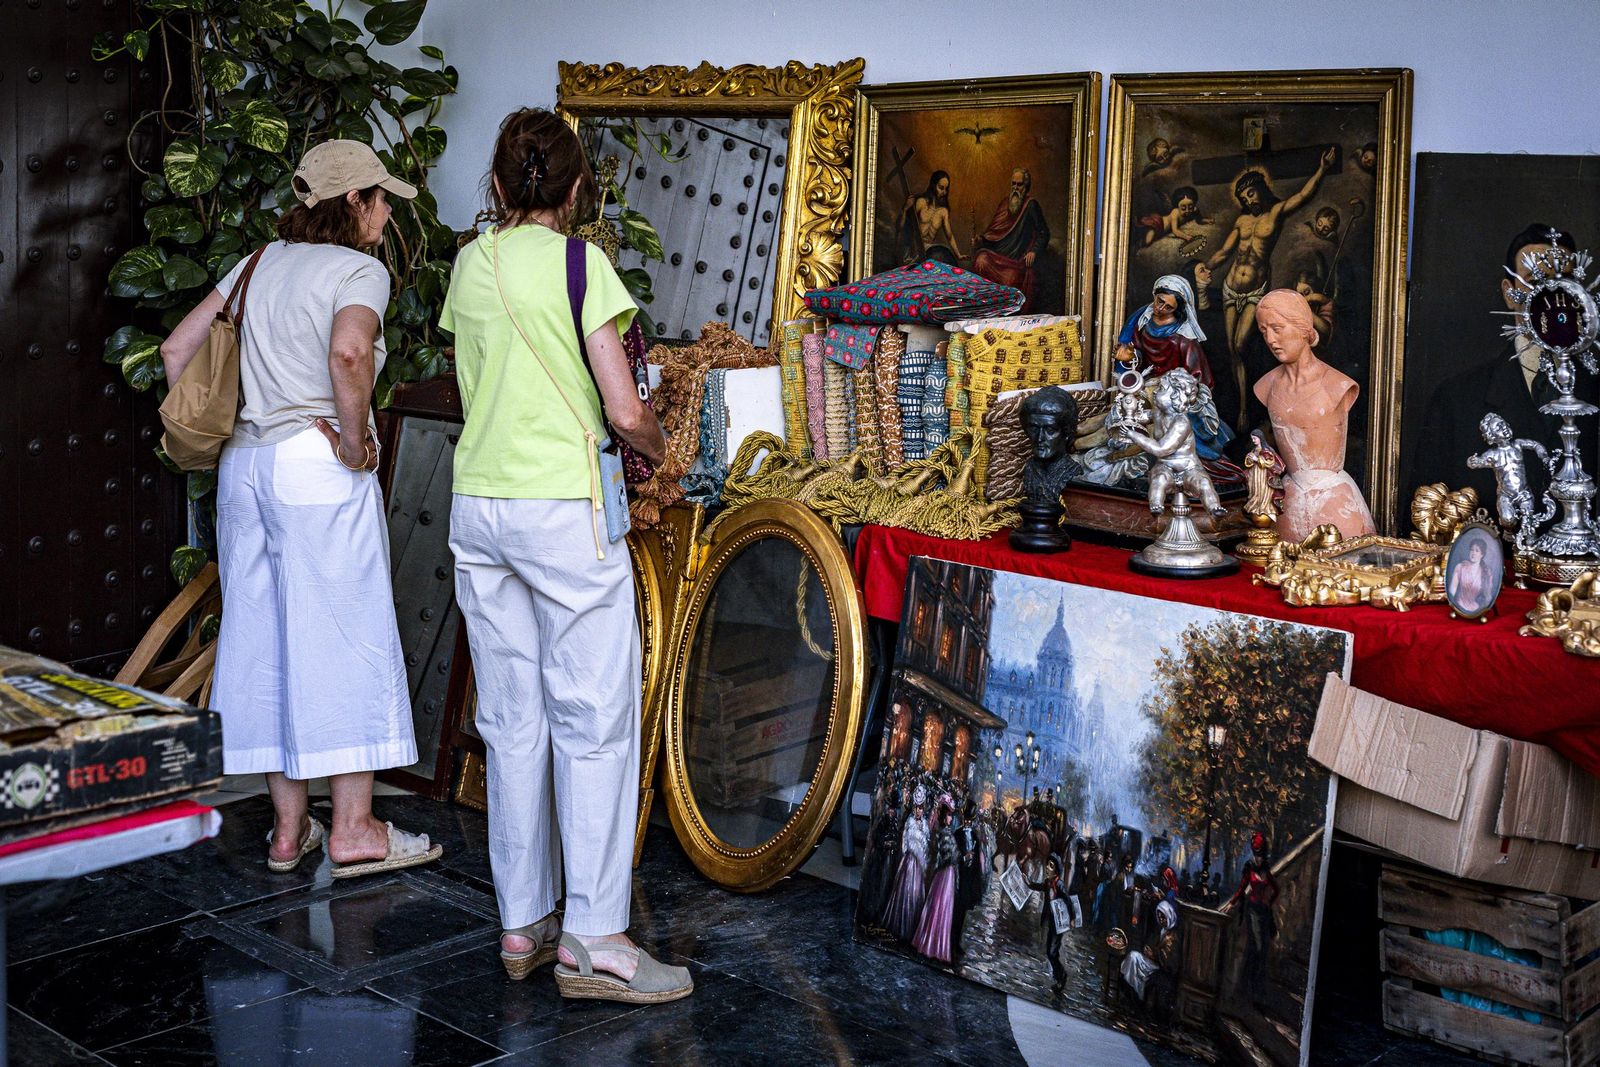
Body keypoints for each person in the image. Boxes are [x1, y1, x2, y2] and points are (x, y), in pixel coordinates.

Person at [441, 109, 682, 1001]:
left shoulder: (469, 266)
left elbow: (477, 382)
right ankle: (597, 938)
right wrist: (663, 446)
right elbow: (623, 410)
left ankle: (523, 922)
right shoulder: (585, 265)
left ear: (499, 187)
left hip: (480, 507)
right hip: (561, 510)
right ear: (578, 191)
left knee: (511, 718)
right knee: (594, 716)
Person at [160, 140, 441, 881]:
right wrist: (354, 444)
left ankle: (289, 832)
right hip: (315, 466)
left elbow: (175, 351)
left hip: (244, 468)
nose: (387, 212)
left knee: (264, 638)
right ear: (352, 201)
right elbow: (350, 354)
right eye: (380, 197)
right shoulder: (359, 271)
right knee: (343, 636)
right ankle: (353, 827)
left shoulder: (258, 262)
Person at [1412, 225, 1598, 507]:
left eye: (1564, 283)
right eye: (1536, 282)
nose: (1551, 299)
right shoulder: (1456, 400)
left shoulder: (1595, 390)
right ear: (1510, 294)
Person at [1253, 288, 1376, 541]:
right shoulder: (1267, 386)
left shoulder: (1338, 385)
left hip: (1335, 506)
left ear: (1303, 328)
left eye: (1278, 328)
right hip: (1289, 504)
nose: (1271, 340)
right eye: (1264, 332)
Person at [1206, 149, 1338, 357]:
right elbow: (1224, 252)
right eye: (1244, 199)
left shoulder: (1276, 212)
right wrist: (1205, 268)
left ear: (1261, 188)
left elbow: (1303, 196)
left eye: (1251, 193)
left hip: (1254, 288)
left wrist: (1322, 169)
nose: (1248, 201)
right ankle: (1240, 392)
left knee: (1241, 345)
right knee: (1231, 349)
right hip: (1230, 287)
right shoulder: (1242, 221)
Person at [972, 168, 1051, 310]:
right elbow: (994, 234)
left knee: (1010, 279)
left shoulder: (1031, 205)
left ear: (1026, 187)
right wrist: (980, 240)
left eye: (1019, 184)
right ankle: (985, 309)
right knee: (981, 260)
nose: (1015, 188)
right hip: (997, 256)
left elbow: (1044, 233)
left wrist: (1034, 251)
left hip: (1016, 262)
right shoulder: (1004, 204)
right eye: (1013, 184)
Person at [1230, 831, 1280, 1003]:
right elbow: (1242, 887)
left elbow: (1277, 889)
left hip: (1263, 911)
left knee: (1262, 949)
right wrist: (1232, 902)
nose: (1258, 857)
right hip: (1252, 911)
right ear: (1253, 852)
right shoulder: (1249, 867)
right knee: (1256, 947)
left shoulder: (1266, 869)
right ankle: (1248, 987)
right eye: (1257, 853)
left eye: (1261, 854)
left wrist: (1269, 902)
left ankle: (1254, 988)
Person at [912, 799, 961, 963]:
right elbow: (947, 856)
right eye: (948, 816)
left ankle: (936, 945)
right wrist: (960, 856)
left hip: (948, 874)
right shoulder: (943, 832)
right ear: (943, 816)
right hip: (945, 874)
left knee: (942, 907)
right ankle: (932, 945)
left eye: (951, 816)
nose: (950, 819)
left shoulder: (946, 831)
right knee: (939, 906)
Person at [882, 797, 932, 941]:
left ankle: (912, 930)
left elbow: (926, 844)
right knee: (905, 891)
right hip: (909, 863)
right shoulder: (909, 822)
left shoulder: (925, 825)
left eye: (921, 808)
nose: (918, 811)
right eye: (916, 807)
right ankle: (900, 927)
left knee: (916, 893)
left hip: (919, 865)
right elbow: (905, 843)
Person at [1026, 855, 1072, 995]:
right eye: (1048, 864)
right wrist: (1028, 883)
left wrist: (1073, 918)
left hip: (1059, 922)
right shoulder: (1048, 882)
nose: (1047, 867)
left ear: (1056, 870)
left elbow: (1069, 902)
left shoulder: (1059, 885)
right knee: (1050, 951)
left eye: (1051, 866)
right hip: (1051, 920)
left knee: (1052, 952)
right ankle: (1059, 976)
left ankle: (1061, 976)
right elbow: (1038, 887)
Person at [899, 170, 962, 266]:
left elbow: (950, 236)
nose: (944, 192)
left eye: (946, 189)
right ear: (933, 186)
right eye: (941, 188)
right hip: (913, 251)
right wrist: (905, 209)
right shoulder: (921, 202)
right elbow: (903, 227)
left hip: (929, 251)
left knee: (945, 259)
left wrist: (958, 255)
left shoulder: (943, 212)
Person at [1449, 537, 1495, 615]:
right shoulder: (1460, 567)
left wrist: (1485, 609)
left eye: (1477, 551)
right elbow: (1452, 590)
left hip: (1476, 609)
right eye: (1472, 550)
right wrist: (1453, 605)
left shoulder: (1486, 573)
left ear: (1482, 554)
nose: (1473, 553)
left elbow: (1488, 596)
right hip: (1459, 605)